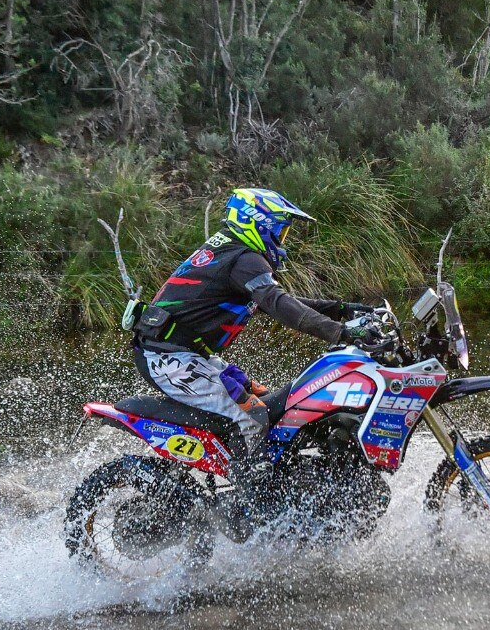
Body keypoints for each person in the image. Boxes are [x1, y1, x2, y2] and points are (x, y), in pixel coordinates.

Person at [131, 188, 379, 479]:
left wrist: (342, 309)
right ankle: (250, 505)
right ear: (258, 222)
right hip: (168, 358)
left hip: (183, 354)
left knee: (273, 403)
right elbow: (278, 304)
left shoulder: (231, 252)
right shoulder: (243, 259)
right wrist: (342, 333)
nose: (281, 239)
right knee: (251, 416)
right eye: (279, 230)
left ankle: (279, 473)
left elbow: (276, 301)